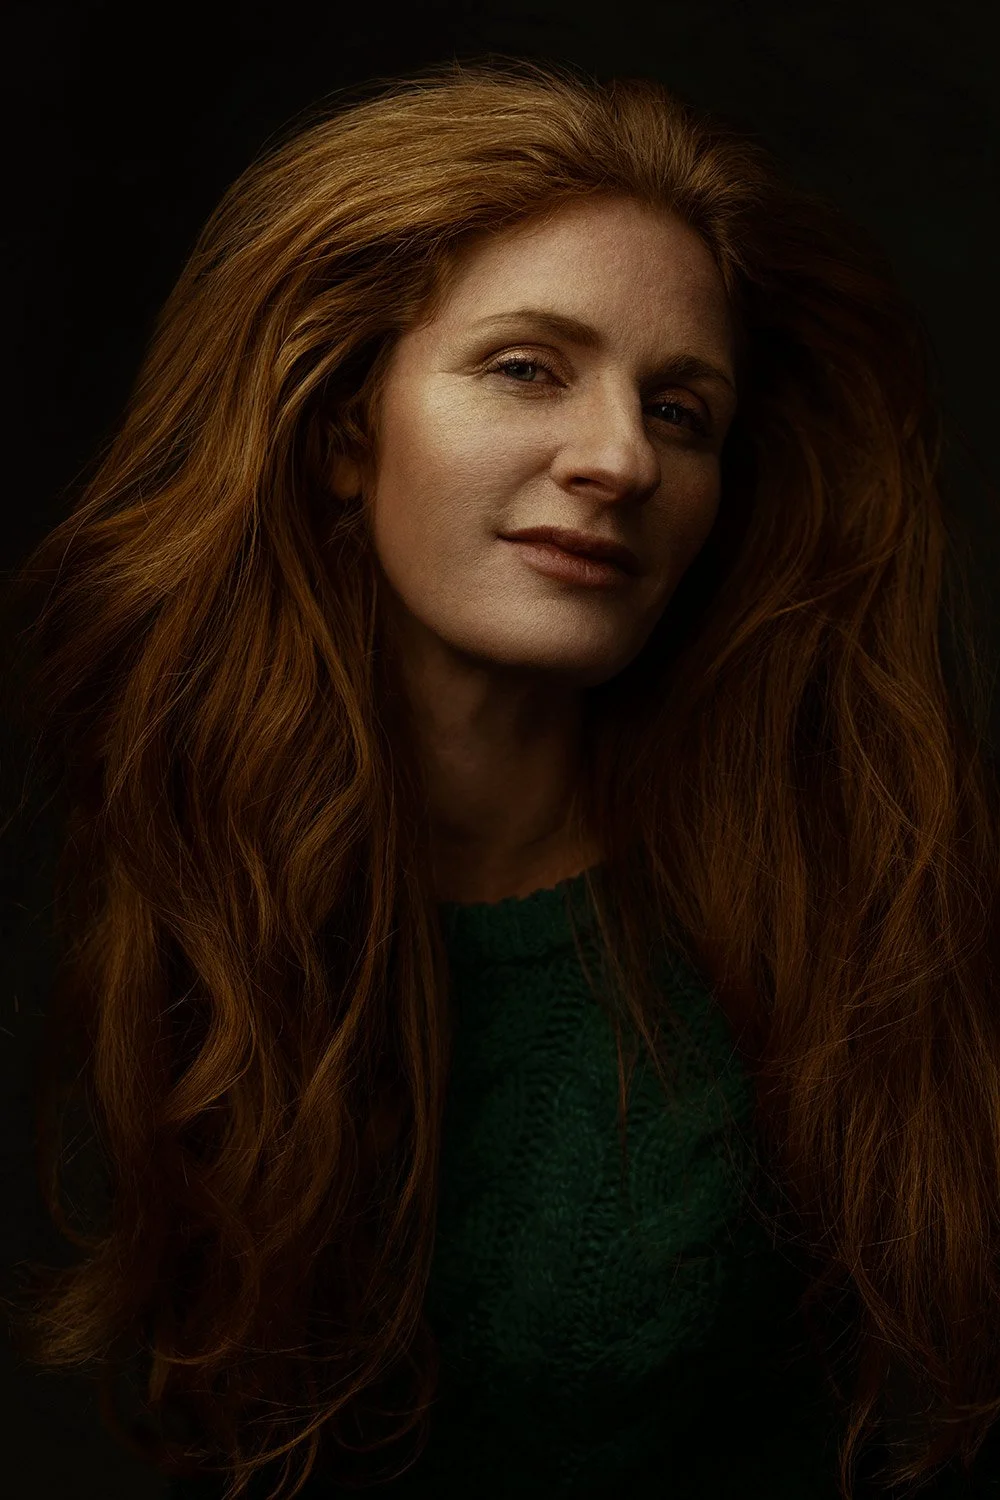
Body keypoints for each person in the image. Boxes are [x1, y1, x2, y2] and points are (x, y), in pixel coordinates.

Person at [3, 55, 1000, 1500]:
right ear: (346, 430)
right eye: (529, 366)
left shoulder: (833, 912)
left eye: (681, 412)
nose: (617, 459)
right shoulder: (176, 870)